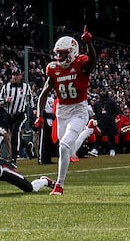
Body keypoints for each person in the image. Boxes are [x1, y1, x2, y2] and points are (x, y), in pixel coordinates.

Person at [34, 27, 98, 195]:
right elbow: (44, 93)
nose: (58, 57)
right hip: (62, 111)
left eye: (62, 53)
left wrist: (89, 43)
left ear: (71, 52)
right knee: (67, 150)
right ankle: (88, 131)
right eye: (57, 53)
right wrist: (39, 115)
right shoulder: (53, 68)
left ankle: (59, 185)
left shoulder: (81, 63)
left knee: (63, 147)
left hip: (78, 110)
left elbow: (93, 61)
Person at [0, 70, 34, 159]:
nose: (15, 77)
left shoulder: (26, 87)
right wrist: (5, 101)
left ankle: (14, 157)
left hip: (20, 114)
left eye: (17, 75)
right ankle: (27, 146)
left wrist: (34, 109)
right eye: (13, 75)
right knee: (13, 136)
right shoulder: (6, 87)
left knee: (15, 132)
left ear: (21, 76)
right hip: (9, 115)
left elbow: (30, 98)